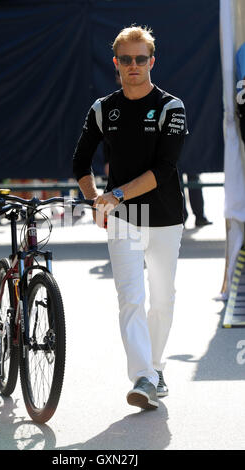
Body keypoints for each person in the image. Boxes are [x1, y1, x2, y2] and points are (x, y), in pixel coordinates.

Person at [73, 25, 188, 410]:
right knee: (130, 298)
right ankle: (143, 378)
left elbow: (164, 169)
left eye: (141, 59)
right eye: (127, 60)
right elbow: (80, 160)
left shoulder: (172, 107)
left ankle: (155, 367)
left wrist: (116, 193)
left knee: (163, 300)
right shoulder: (104, 109)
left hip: (167, 215)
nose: (134, 65)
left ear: (152, 61)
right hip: (125, 218)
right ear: (116, 64)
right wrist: (96, 201)